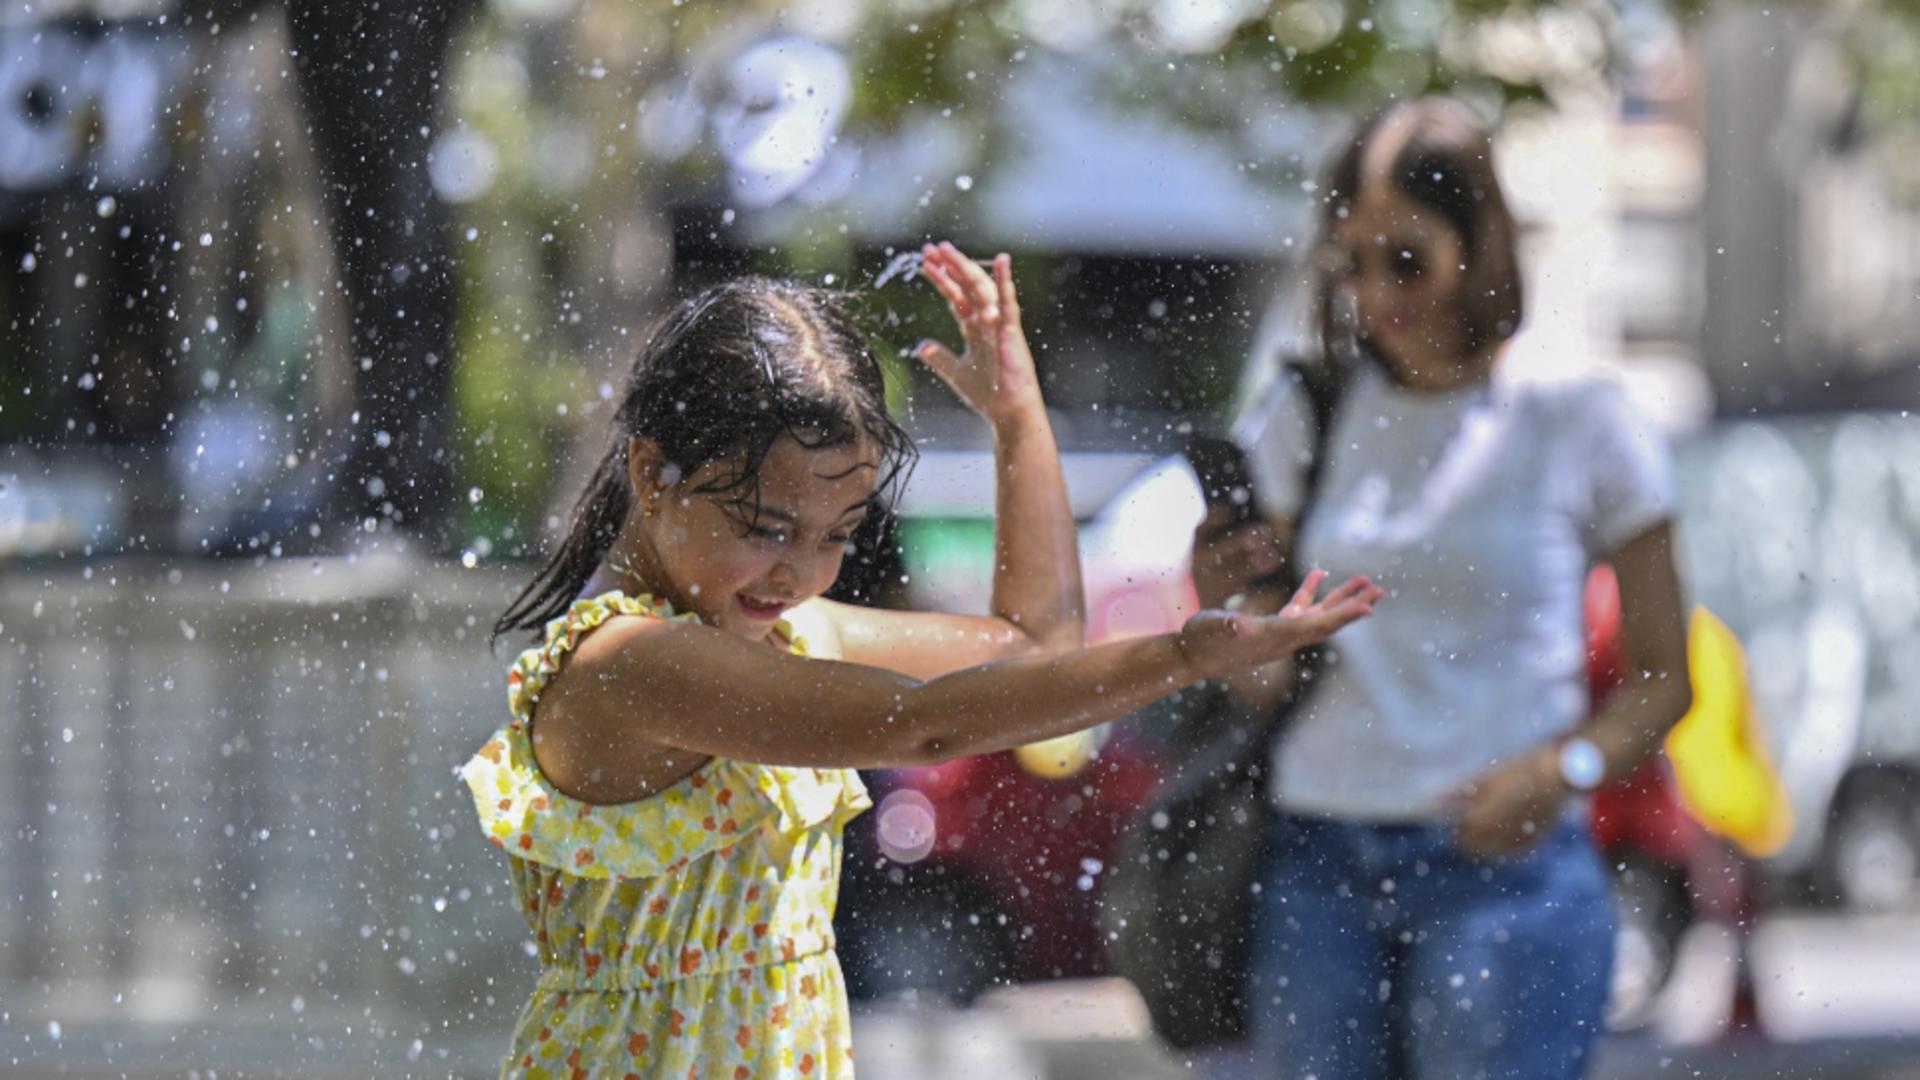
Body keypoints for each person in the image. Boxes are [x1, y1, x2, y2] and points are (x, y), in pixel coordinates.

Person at [461, 242, 1383, 1079]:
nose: (799, 571)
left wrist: (1019, 418)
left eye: (837, 536)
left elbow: (1031, 650)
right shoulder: (629, 664)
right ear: (650, 471)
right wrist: (1181, 655)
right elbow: (925, 720)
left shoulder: (784, 632)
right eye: (767, 527)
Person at [1193, 99, 1694, 1079]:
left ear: (1479, 243)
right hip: (1316, 864)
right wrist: (1224, 615)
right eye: (1353, 263)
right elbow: (1258, 677)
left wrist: (1560, 776)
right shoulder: (1309, 413)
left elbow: (1666, 682)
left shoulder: (1579, 418)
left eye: (1407, 258)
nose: (1378, 291)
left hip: (1505, 875)